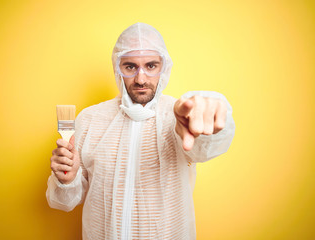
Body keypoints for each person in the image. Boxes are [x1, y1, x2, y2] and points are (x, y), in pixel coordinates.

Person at [46, 22, 235, 239]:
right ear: (118, 68)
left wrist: (212, 118)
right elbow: (64, 202)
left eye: (151, 66)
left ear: (164, 67)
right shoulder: (89, 120)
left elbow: (205, 148)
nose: (141, 79)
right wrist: (67, 179)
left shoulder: (179, 115)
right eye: (130, 67)